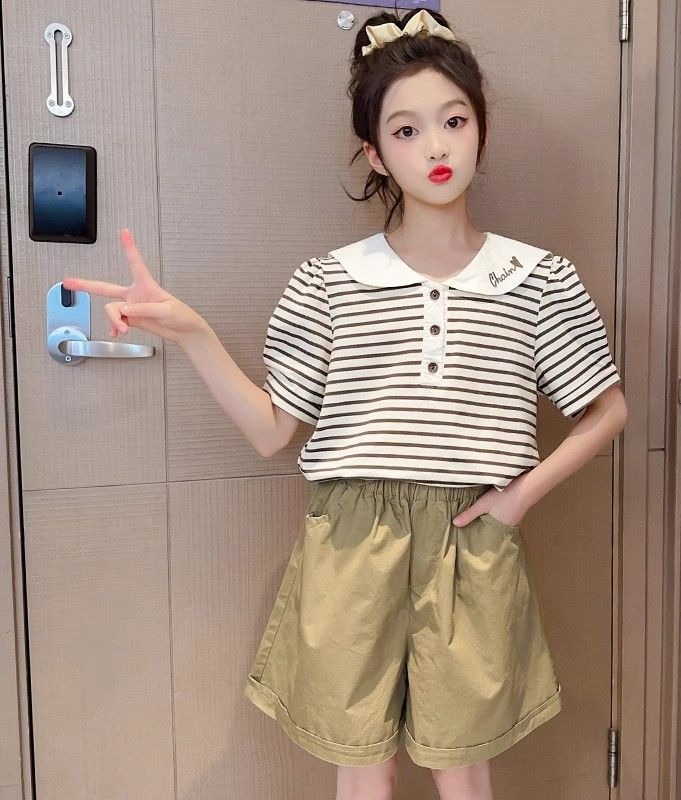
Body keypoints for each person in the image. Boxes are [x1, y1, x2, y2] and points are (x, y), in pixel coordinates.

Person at [63, 9, 628, 800]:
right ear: (375, 153)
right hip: (351, 541)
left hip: (472, 542)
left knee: (462, 766)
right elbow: (273, 431)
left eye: (454, 121)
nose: (435, 148)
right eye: (406, 130)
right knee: (363, 766)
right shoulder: (328, 282)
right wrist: (192, 332)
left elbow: (607, 410)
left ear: (481, 130)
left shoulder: (538, 279)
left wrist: (516, 500)